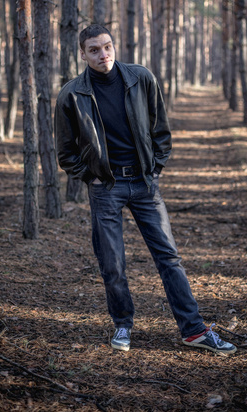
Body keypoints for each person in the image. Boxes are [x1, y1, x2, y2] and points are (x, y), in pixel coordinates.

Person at [54, 24, 237, 356]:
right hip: (106, 186)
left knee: (168, 256)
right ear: (82, 54)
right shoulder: (72, 94)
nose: (102, 54)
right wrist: (90, 177)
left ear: (115, 46)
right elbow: (65, 152)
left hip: (143, 183)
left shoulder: (140, 78)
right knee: (112, 262)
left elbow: (160, 129)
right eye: (93, 49)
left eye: (107, 46)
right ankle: (122, 323)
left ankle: (193, 330)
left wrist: (155, 168)